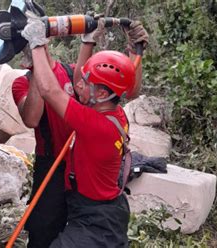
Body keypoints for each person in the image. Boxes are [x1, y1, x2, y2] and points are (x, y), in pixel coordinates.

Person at [19, 12, 148, 247]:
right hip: (101, 209)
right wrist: (90, 41)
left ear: (100, 94)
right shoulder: (110, 111)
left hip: (98, 219)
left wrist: (38, 43)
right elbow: (79, 78)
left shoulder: (94, 125)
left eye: (86, 82)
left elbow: (50, 91)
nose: (78, 85)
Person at [11, 22, 106, 247]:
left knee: (81, 229)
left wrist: (88, 41)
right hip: (51, 166)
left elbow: (96, 87)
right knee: (43, 230)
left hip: (82, 165)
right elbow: (32, 118)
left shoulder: (70, 71)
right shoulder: (21, 83)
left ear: (47, 38)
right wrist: (35, 69)